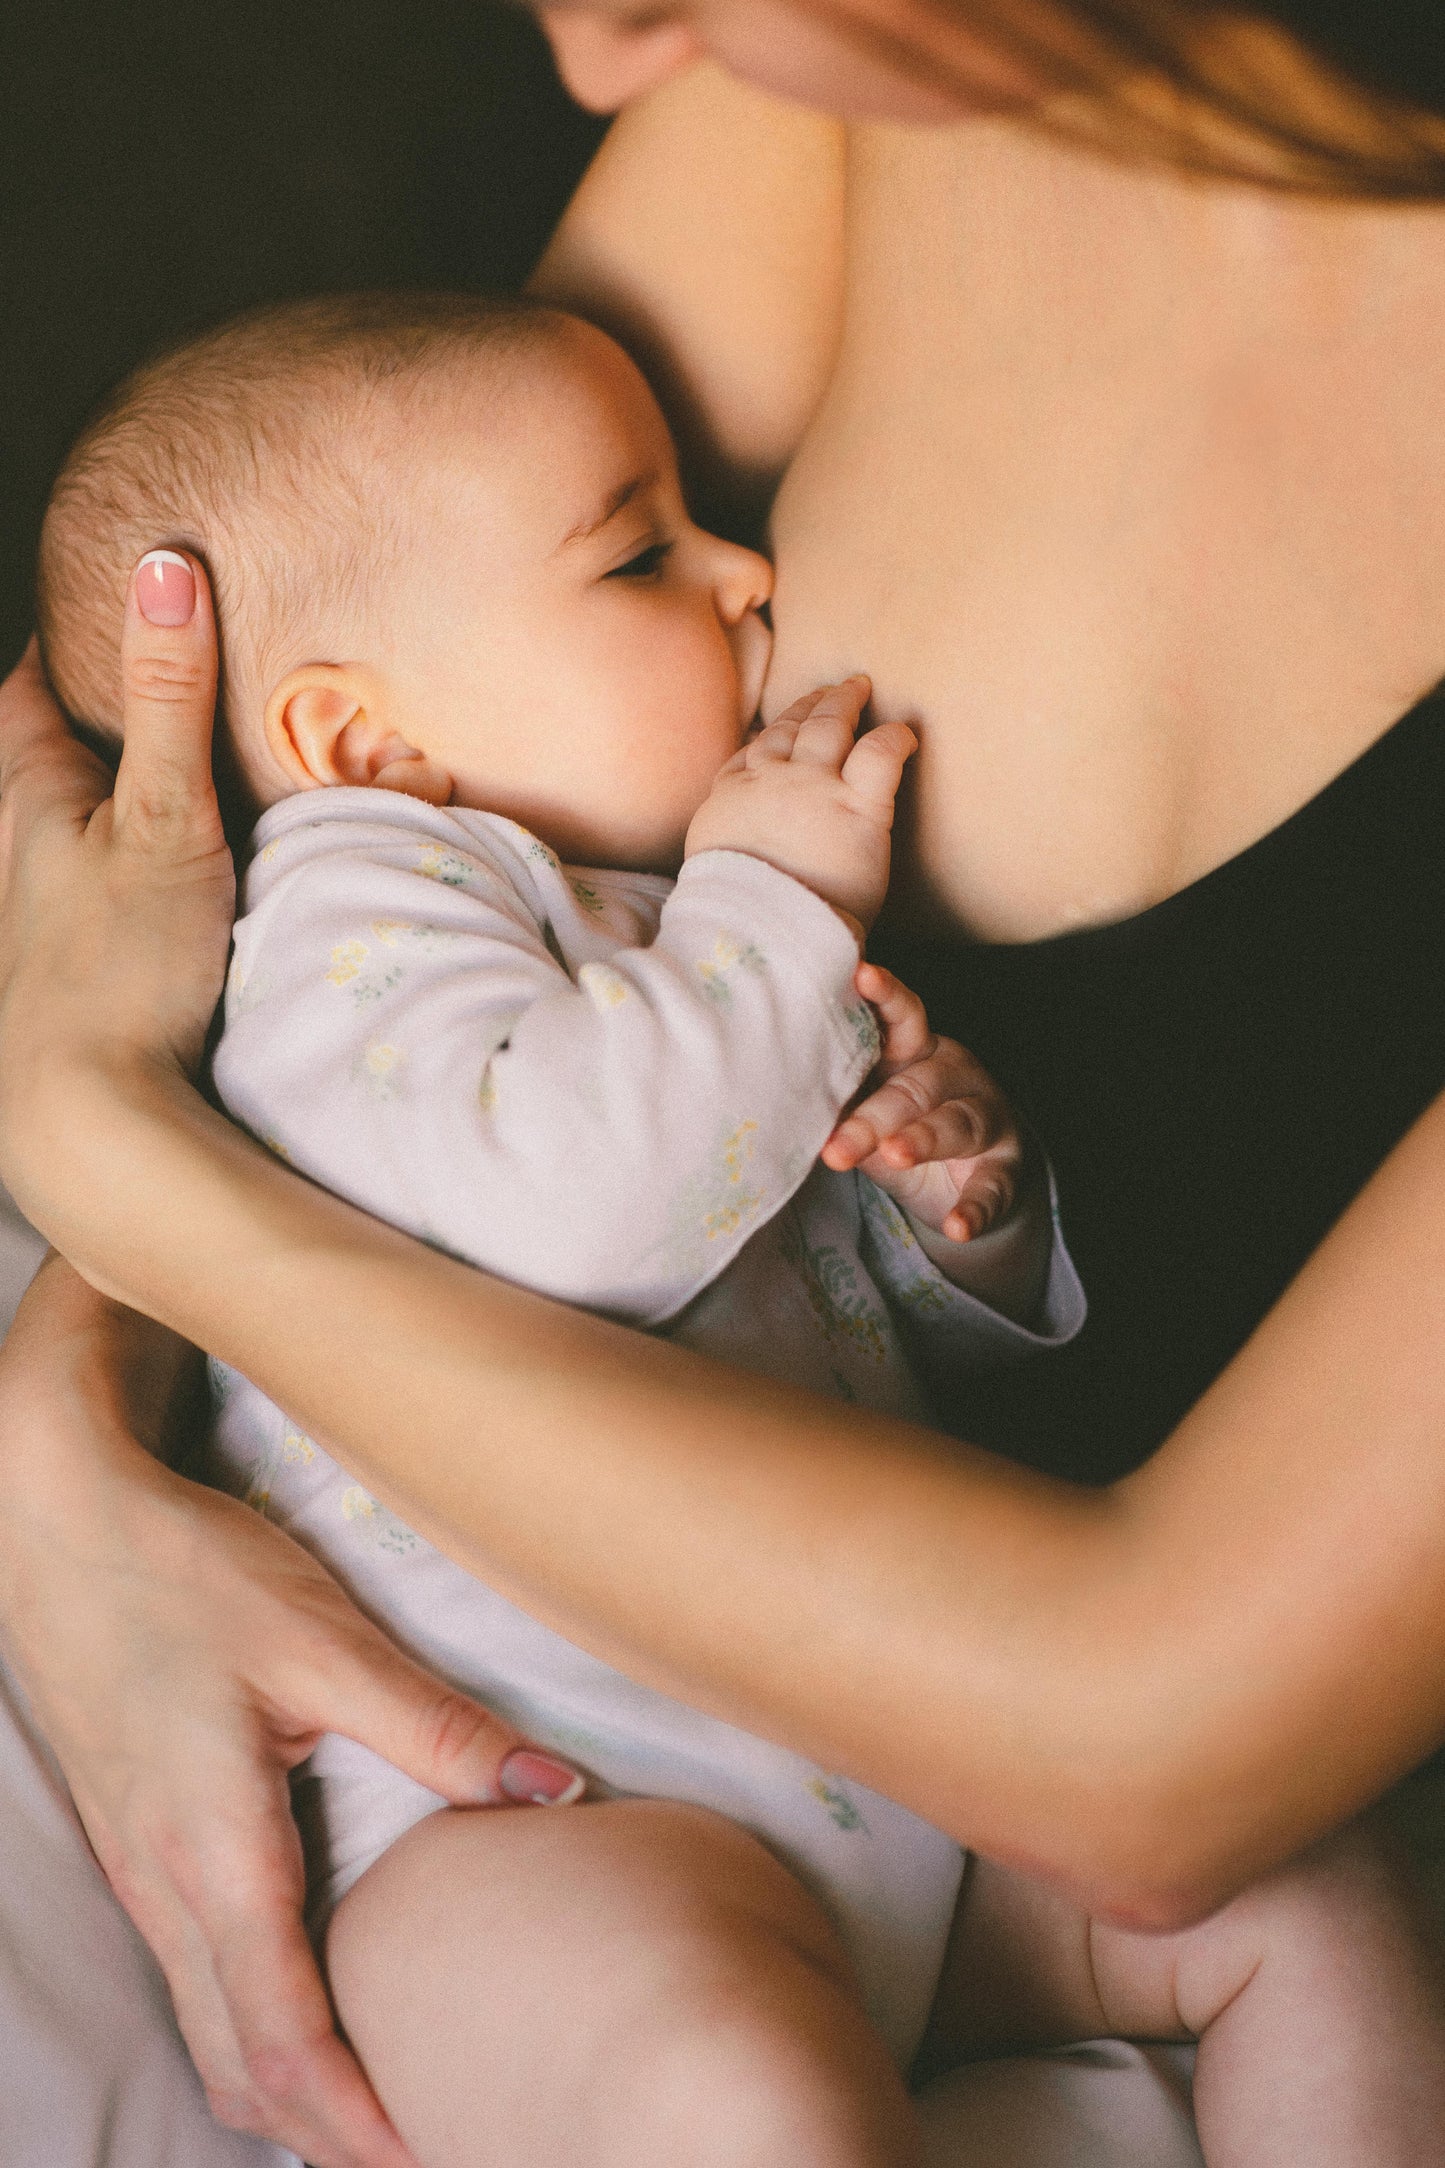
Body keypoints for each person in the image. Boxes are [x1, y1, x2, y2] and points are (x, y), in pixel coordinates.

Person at [2, 2, 1445, 2164]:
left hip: (933, 1779)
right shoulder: (369, 905)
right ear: (360, 742)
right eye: (651, 554)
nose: (595, 52)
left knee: (1320, 1908)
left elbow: (1133, 1722)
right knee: (724, 2094)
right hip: (555, 1800)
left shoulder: (577, 862)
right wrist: (62, 1401)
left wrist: (958, 1197)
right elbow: (576, 1196)